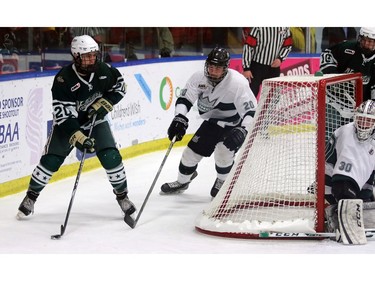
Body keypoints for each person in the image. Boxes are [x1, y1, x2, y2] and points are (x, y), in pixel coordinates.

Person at [16, 35, 136, 220]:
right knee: (51, 160)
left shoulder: (104, 70)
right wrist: (79, 137)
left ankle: (123, 197)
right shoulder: (64, 79)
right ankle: (31, 197)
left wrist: (105, 103)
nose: (91, 59)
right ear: (76, 56)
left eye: (94, 55)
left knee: (111, 156)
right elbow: (64, 116)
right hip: (69, 124)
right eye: (86, 56)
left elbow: (120, 87)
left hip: (96, 120)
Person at [160, 47, 257, 197]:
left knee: (223, 154)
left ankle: (223, 182)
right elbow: (185, 99)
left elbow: (251, 111)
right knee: (190, 154)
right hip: (212, 122)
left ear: (225, 68)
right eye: (211, 66)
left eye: (217, 68)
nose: (212, 71)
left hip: (234, 125)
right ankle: (182, 181)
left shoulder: (238, 83)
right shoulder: (199, 78)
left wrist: (243, 130)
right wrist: (179, 117)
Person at [324, 100, 375, 232]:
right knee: (345, 192)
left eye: (368, 121)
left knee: (366, 210)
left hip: (361, 186)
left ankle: (335, 211)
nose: (363, 124)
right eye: (361, 119)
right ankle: (337, 214)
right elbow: (327, 162)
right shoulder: (344, 132)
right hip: (333, 183)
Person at [320, 27, 375, 102]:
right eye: (364, 40)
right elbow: (327, 53)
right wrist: (332, 75)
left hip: (360, 104)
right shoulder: (348, 48)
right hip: (335, 99)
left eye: (370, 41)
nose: (365, 44)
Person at [242, 27, 293, 98]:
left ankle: (269, 109)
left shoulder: (285, 28)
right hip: (257, 67)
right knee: (251, 94)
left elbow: (288, 45)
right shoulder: (258, 28)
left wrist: (280, 58)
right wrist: (246, 68)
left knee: (273, 96)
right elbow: (248, 47)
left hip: (273, 68)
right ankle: (251, 109)